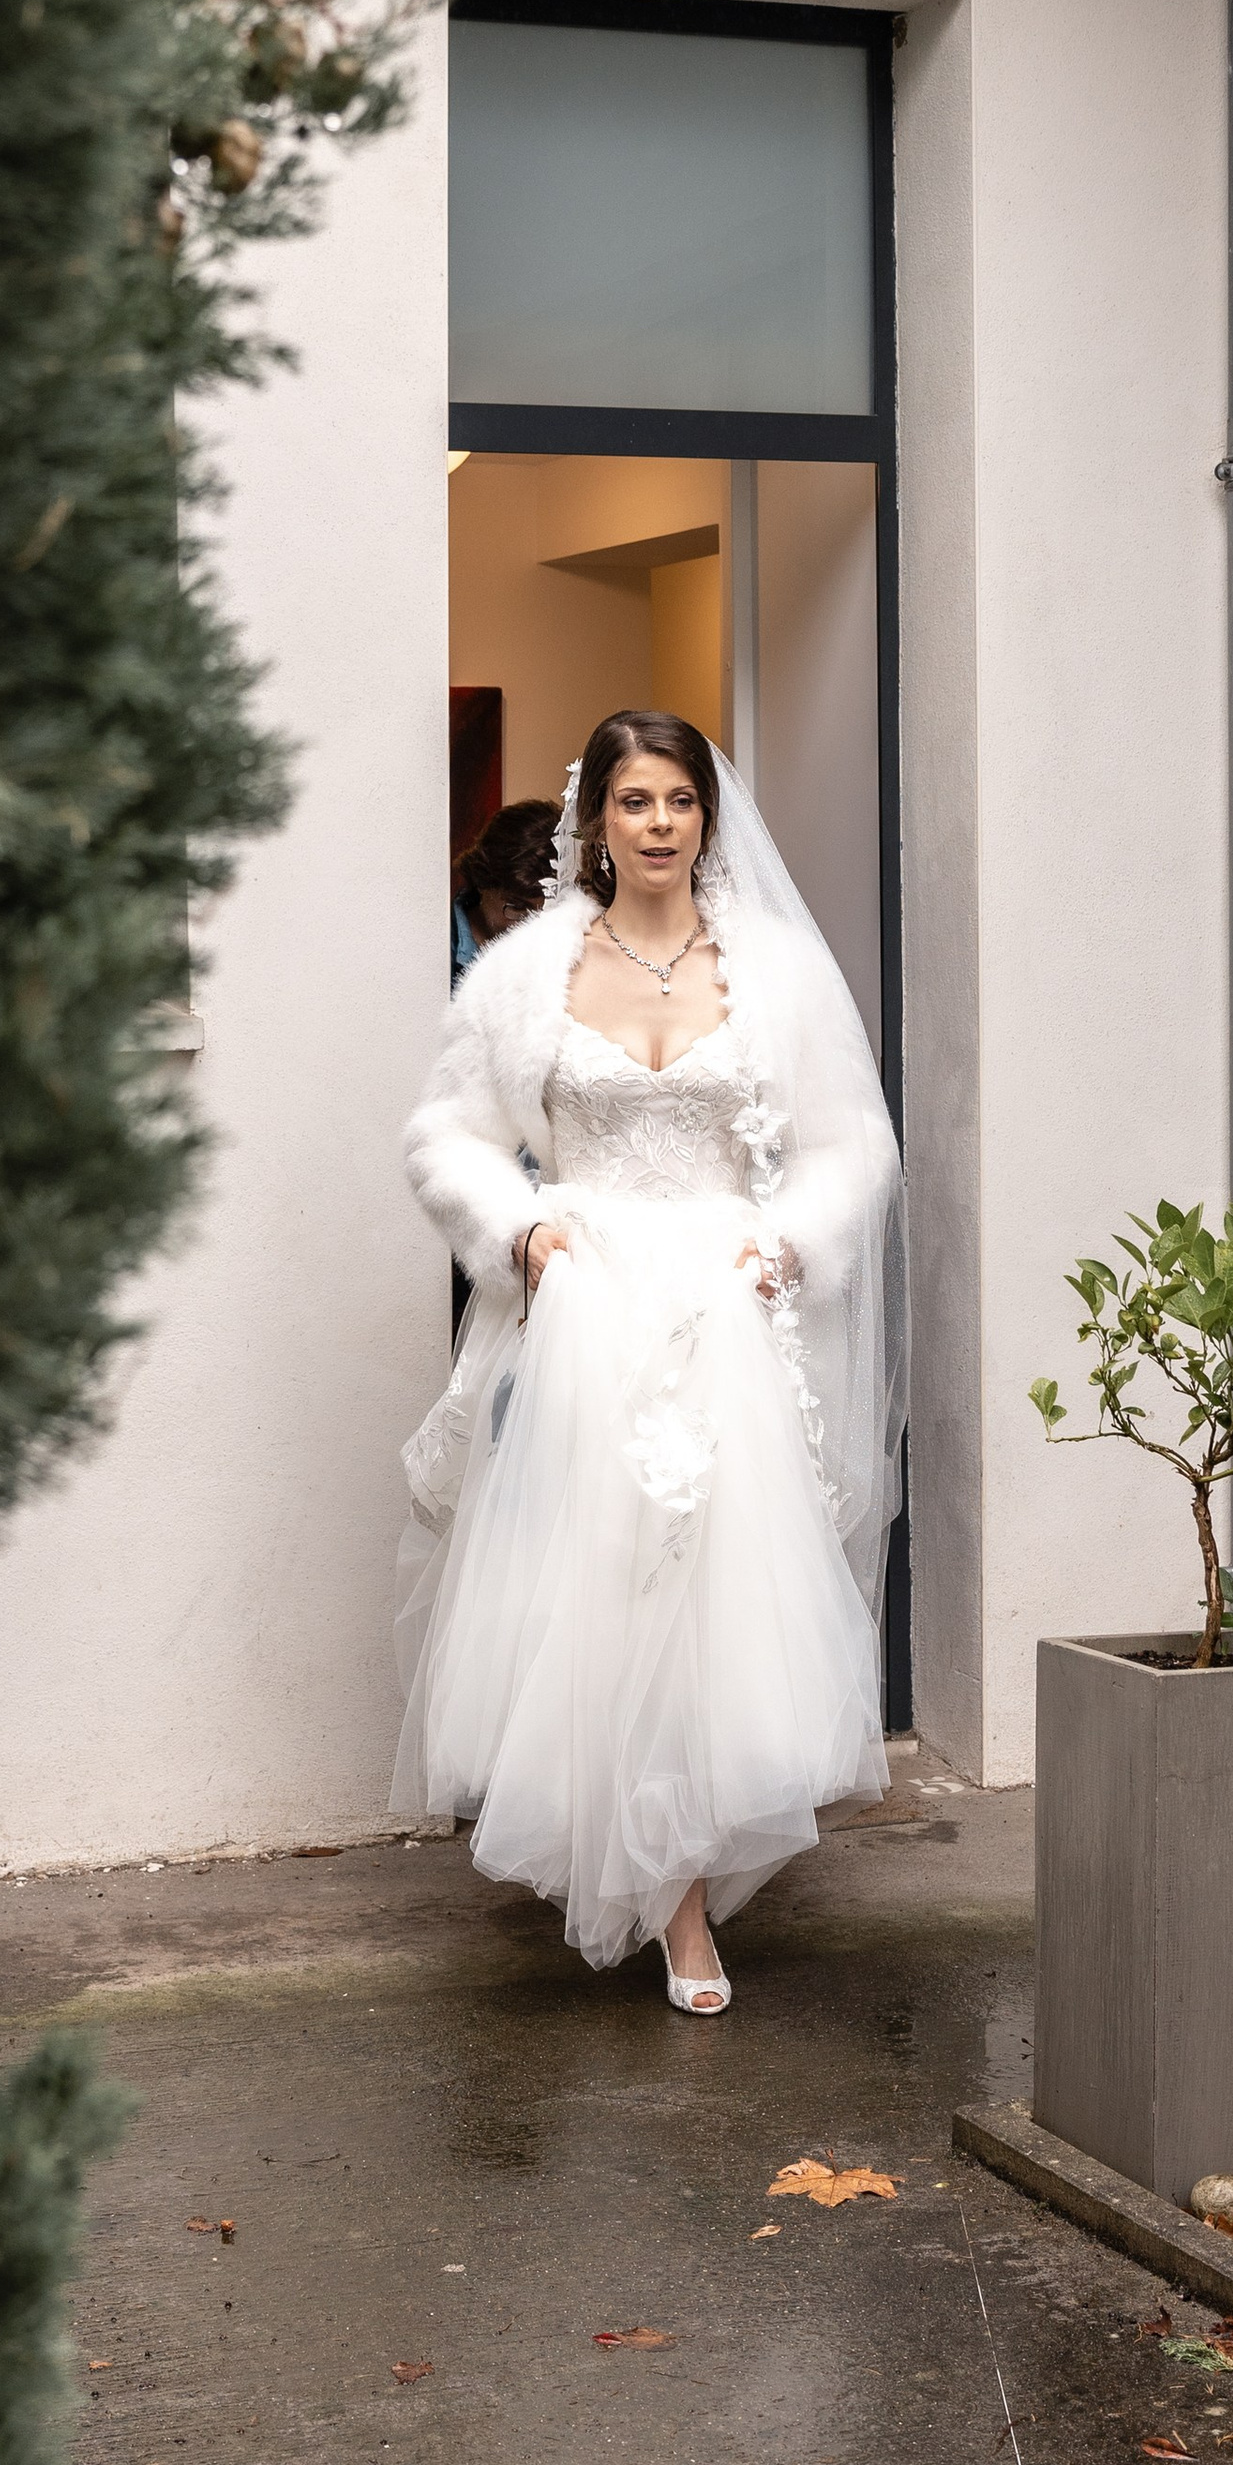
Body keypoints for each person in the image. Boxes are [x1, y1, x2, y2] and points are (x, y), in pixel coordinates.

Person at [395, 711, 906, 2014]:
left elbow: (856, 1150)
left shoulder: (779, 972)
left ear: (707, 818)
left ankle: (677, 1899)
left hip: (726, 1315)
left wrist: (789, 1244)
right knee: (605, 1597)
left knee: (709, 1604)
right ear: (596, 823)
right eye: (636, 801)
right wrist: (524, 1231)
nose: (662, 823)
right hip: (588, 1314)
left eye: (681, 799)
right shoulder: (526, 977)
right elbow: (447, 1137)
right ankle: (656, 1893)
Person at [450, 795, 560, 985]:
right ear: (482, 881)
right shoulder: (436, 943)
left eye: (547, 910)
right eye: (517, 908)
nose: (531, 926)